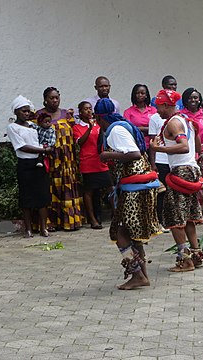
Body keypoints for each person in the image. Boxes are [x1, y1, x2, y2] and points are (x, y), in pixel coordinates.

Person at [95, 98, 160, 290]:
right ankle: (143, 275)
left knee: (120, 232)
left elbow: (133, 154)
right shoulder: (123, 125)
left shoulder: (114, 130)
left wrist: (108, 155)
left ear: (99, 118)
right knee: (133, 233)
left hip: (134, 187)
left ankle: (137, 274)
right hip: (137, 186)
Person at [150, 89, 203, 272]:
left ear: (166, 105)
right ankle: (196, 254)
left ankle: (185, 260)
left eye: (158, 106)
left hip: (180, 172)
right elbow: (196, 146)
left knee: (175, 218)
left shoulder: (174, 123)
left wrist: (159, 149)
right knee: (189, 217)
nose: (156, 110)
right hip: (192, 169)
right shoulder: (186, 120)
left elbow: (183, 147)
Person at [36, 87, 83, 231]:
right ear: (45, 99)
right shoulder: (38, 115)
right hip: (49, 159)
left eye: (57, 97)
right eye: (51, 98)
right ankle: (49, 223)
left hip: (67, 161)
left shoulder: (67, 115)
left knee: (67, 188)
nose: (55, 100)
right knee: (50, 189)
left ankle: (68, 222)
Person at [7, 96, 51, 238]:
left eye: (28, 111)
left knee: (42, 196)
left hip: (38, 163)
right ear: (16, 112)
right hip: (25, 164)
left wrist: (45, 148)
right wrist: (43, 150)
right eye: (23, 111)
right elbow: (22, 147)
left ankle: (44, 227)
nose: (26, 114)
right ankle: (28, 229)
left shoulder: (33, 126)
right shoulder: (13, 127)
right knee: (26, 197)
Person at [72, 101, 112, 229]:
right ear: (80, 112)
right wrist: (89, 128)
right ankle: (92, 219)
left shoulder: (99, 125)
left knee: (110, 187)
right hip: (88, 162)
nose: (88, 111)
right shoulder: (77, 127)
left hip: (100, 161)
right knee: (89, 191)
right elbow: (80, 142)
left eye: (90, 109)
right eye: (85, 109)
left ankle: (117, 214)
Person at [180, 87, 203, 225]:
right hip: (188, 154)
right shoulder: (181, 115)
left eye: (196, 97)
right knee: (191, 185)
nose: (193, 100)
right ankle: (195, 215)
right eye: (190, 98)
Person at [148, 109, 170, 231]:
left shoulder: (177, 119)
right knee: (161, 192)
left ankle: (169, 220)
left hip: (173, 160)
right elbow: (152, 141)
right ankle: (159, 221)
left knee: (172, 193)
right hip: (160, 160)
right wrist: (153, 163)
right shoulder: (154, 118)